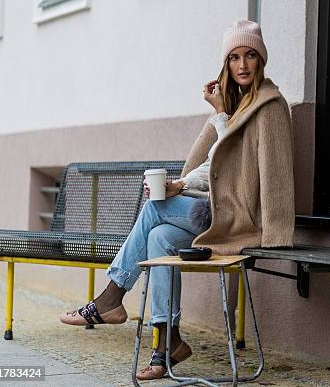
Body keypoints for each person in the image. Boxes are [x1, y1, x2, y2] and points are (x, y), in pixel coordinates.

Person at [59, 19, 295, 380]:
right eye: (234, 57)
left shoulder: (270, 106)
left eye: (250, 56)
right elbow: (208, 165)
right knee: (158, 239)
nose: (242, 65)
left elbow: (274, 174)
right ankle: (167, 344)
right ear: (226, 64)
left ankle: (110, 298)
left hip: (239, 218)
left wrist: (276, 232)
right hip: (209, 213)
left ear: (261, 61)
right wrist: (180, 185)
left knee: (154, 208)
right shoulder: (234, 106)